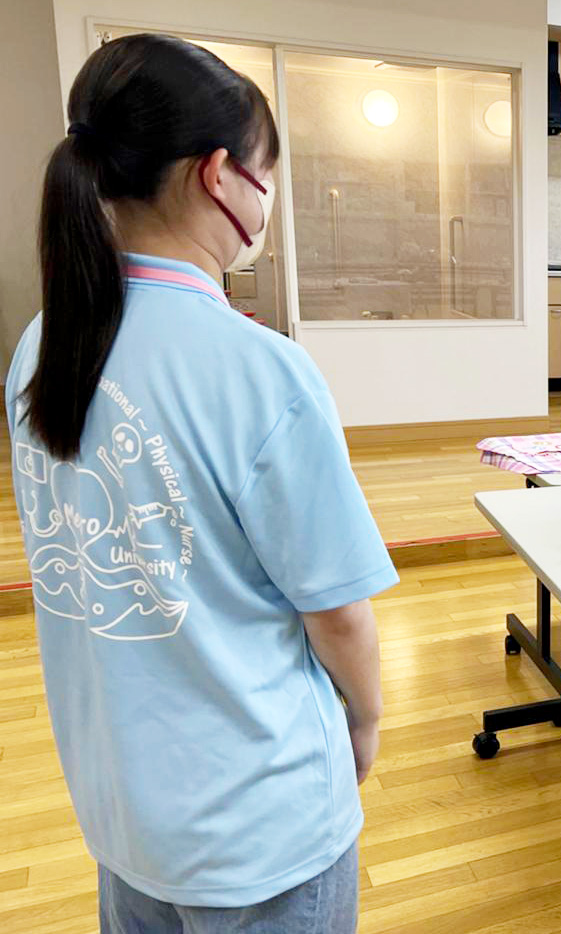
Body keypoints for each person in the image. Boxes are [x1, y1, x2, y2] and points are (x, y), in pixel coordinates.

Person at [6, 34, 398, 932]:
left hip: (125, 819)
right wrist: (366, 722)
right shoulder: (262, 370)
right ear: (221, 177)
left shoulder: (41, 347)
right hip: (260, 832)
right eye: (268, 173)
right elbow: (337, 612)